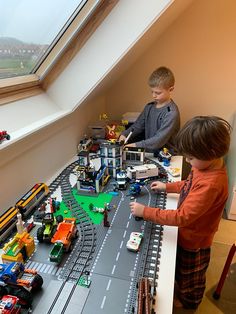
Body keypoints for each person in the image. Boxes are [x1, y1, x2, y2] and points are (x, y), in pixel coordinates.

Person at [129, 116, 231, 309]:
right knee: (181, 271)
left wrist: (146, 212)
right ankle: (183, 291)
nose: (188, 161)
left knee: (191, 277)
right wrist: (168, 186)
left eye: (191, 158)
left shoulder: (212, 184)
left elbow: (182, 217)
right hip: (187, 234)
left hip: (195, 241)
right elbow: (189, 185)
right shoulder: (205, 168)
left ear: (210, 153)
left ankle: (189, 302)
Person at [119, 66, 180, 153]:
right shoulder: (149, 107)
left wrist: (135, 145)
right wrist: (124, 135)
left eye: (158, 93)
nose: (154, 96)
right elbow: (137, 126)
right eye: (152, 91)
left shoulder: (171, 113)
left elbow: (158, 140)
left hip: (167, 156)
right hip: (150, 153)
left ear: (170, 90)